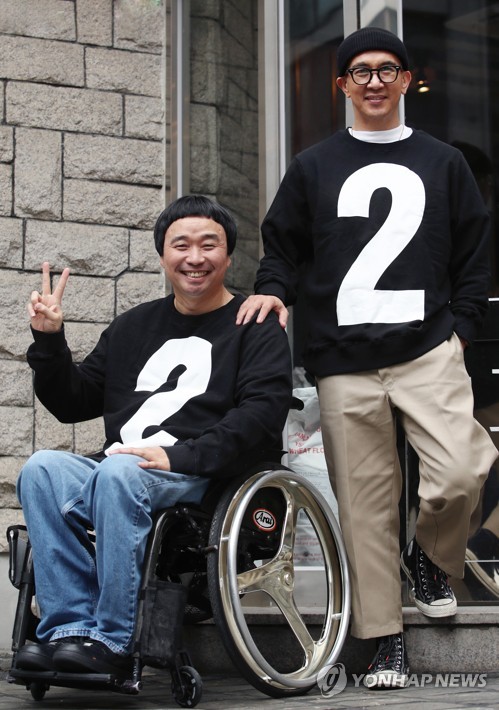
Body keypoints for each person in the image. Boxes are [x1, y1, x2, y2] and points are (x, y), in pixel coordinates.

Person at [236, 27, 498, 689]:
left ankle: (428, 556)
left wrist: (463, 329)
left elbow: (473, 253)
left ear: (406, 79)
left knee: (462, 469)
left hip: (427, 348)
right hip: (342, 359)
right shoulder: (312, 166)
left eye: (386, 69)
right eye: (360, 71)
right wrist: (272, 292)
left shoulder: (443, 162)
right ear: (342, 85)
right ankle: (384, 641)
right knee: (364, 507)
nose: (374, 80)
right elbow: (282, 247)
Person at [15, 195, 292, 677]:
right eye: (180, 245)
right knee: (41, 469)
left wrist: (179, 456)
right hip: (125, 466)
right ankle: (69, 630)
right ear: (162, 255)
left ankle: (114, 641)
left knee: (120, 471)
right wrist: (49, 340)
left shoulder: (254, 324)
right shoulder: (133, 326)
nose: (195, 257)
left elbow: (261, 416)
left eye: (209, 245)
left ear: (228, 256)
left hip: (199, 474)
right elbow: (73, 402)